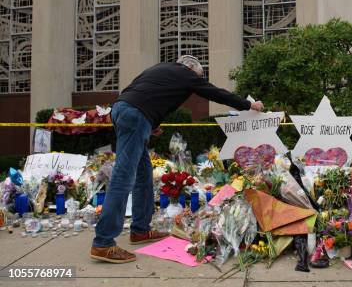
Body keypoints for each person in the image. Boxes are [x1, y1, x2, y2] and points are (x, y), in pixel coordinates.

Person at [90, 55, 264, 263]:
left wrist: (150, 122)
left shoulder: (160, 69)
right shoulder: (186, 74)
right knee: (123, 177)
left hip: (123, 110)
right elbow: (216, 93)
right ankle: (103, 242)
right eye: (198, 76)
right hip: (135, 116)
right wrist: (248, 105)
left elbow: (143, 94)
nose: (197, 82)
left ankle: (140, 230)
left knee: (143, 175)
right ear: (191, 68)